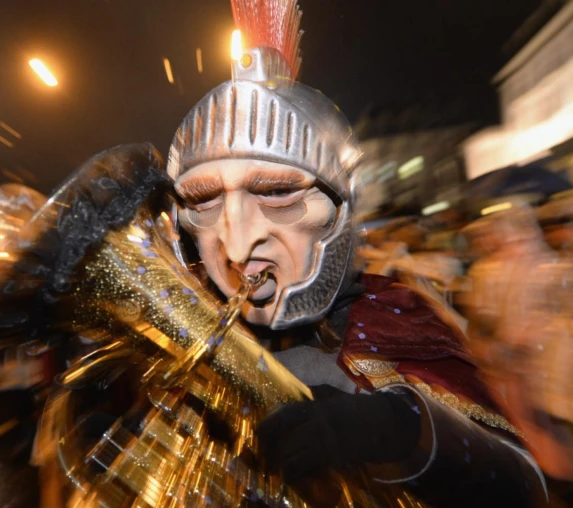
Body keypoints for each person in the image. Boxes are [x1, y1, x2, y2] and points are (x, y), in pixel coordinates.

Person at [164, 0, 547, 505]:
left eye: (277, 193)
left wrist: (400, 429)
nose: (236, 245)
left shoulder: (396, 317)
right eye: (203, 200)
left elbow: (526, 490)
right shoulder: (190, 326)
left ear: (341, 209)